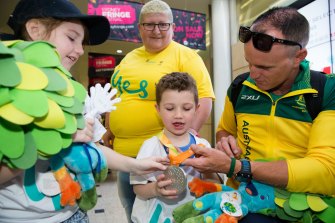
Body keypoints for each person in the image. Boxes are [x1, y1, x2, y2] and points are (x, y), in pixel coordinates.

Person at [0, 0, 168, 222]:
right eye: (71, 38)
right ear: (35, 30)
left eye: (82, 42)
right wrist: (59, 138)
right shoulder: (5, 90)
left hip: (74, 213)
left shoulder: (72, 94)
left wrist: (136, 165)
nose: (79, 50)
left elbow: (93, 147)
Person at [183, 6, 335, 223]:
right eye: (249, 63)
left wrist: (235, 167)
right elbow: (224, 130)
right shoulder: (240, 86)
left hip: (303, 209)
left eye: (265, 67)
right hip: (244, 203)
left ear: (298, 57)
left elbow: (326, 172)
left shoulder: (327, 90)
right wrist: (225, 140)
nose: (253, 74)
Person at [102, 0, 215, 221]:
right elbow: (117, 95)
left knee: (170, 211)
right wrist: (109, 128)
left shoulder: (186, 56)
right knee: (135, 211)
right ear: (140, 28)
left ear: (173, 27)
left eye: (163, 25)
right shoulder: (129, 57)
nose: (156, 30)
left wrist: (183, 144)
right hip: (124, 156)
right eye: (149, 25)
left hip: (162, 156)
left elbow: (204, 99)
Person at [130, 72, 220, 222]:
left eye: (186, 108)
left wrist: (208, 169)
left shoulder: (202, 146)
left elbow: (215, 185)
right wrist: (155, 189)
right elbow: (137, 187)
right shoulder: (151, 146)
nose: (178, 115)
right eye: (170, 108)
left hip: (193, 215)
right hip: (159, 216)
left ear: (196, 109)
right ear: (158, 109)